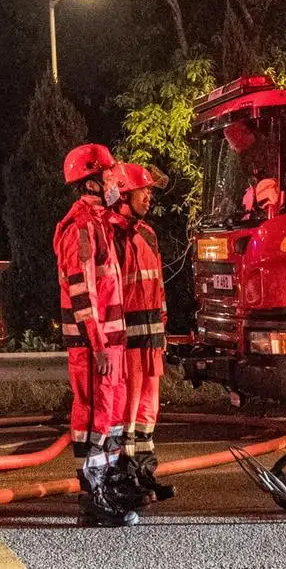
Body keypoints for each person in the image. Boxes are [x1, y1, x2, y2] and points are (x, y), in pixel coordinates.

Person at [53, 142, 136, 527]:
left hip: (110, 343)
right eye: (109, 176)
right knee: (95, 417)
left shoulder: (100, 222)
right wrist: (99, 344)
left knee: (111, 417)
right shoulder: (81, 228)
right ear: (91, 182)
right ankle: (94, 495)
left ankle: (108, 488)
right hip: (93, 347)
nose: (116, 182)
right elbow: (81, 291)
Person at [107, 161, 175, 507]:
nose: (148, 197)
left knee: (148, 410)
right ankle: (125, 476)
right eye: (142, 191)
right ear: (123, 194)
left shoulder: (148, 233)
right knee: (126, 413)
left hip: (151, 338)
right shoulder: (111, 235)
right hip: (127, 341)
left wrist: (162, 329)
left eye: (149, 191)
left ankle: (145, 473)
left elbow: (158, 286)